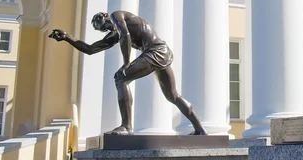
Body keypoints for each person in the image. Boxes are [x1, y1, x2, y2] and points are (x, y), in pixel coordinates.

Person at [48, 10, 207, 135]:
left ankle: (126, 126)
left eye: (103, 25)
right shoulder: (115, 32)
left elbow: (126, 35)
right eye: (102, 30)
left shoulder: (117, 16)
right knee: (173, 96)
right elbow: (91, 49)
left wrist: (126, 64)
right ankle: (199, 129)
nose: (105, 30)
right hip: (162, 51)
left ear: (105, 16)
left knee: (121, 78)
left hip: (156, 51)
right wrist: (68, 38)